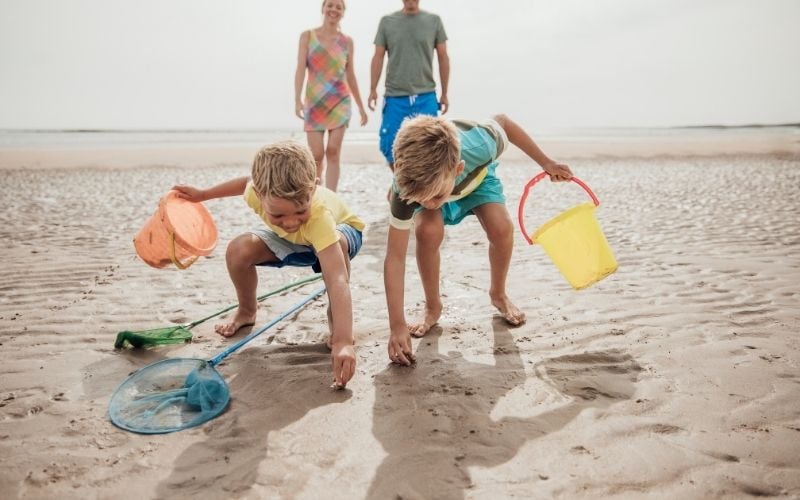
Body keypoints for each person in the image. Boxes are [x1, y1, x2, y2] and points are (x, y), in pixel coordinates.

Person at [383, 114, 574, 366]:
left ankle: (499, 294)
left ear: (458, 168)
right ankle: (433, 306)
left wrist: (546, 163)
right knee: (428, 231)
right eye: (423, 199)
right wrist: (397, 326)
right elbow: (394, 258)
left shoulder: (482, 145)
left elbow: (504, 122)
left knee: (502, 228)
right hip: (429, 183)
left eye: (435, 197)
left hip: (477, 182)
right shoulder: (407, 190)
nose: (428, 204)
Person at [172, 141, 364, 388]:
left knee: (335, 247)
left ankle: (336, 324)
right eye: (278, 215)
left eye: (300, 211)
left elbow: (338, 279)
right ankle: (246, 311)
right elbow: (243, 183)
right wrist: (203, 195)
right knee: (238, 250)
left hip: (341, 234)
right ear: (259, 195)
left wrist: (344, 341)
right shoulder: (255, 192)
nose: (292, 221)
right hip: (296, 243)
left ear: (314, 189)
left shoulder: (318, 216)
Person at [295, 0, 368, 192]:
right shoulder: (307, 37)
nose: (334, 9)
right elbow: (300, 70)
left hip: (340, 101)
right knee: (316, 155)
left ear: (343, 12)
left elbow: (350, 75)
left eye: (339, 7)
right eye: (330, 5)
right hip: (314, 102)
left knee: (333, 151)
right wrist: (297, 99)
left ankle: (331, 196)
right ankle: (314, 193)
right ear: (323, 8)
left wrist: (361, 107)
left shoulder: (346, 41)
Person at [368, 0, 449, 169]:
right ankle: (402, 182)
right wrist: (372, 89)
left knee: (430, 147)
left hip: (425, 94)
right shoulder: (387, 22)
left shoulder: (434, 20)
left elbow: (443, 57)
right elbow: (378, 56)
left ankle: (422, 190)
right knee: (389, 145)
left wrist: (445, 93)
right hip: (395, 95)